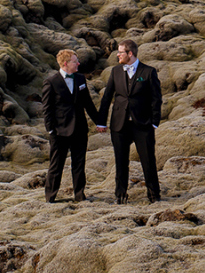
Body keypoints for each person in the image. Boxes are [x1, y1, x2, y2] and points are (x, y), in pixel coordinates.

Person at [96, 39, 163, 204]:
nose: (118, 55)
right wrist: (101, 122)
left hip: (143, 124)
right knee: (120, 162)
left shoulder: (148, 72)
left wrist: (155, 121)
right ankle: (120, 195)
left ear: (130, 53)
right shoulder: (115, 71)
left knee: (148, 161)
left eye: (120, 52)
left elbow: (156, 98)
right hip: (119, 124)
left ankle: (154, 195)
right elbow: (107, 97)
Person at [41, 49, 99, 203]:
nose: (78, 63)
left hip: (80, 128)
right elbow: (47, 109)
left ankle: (79, 196)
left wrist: (99, 122)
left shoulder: (80, 78)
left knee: (79, 164)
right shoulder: (51, 82)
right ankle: (50, 198)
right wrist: (51, 130)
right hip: (59, 131)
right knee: (56, 165)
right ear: (66, 63)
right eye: (75, 61)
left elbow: (88, 103)